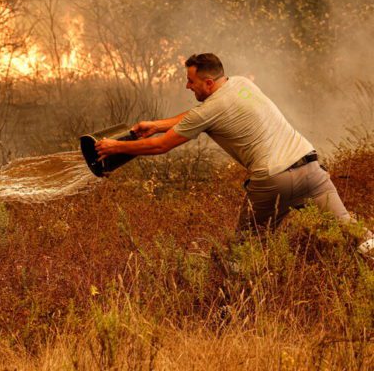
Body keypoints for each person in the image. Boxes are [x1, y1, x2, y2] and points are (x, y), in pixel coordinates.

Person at [95, 53, 373, 257]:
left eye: (190, 82)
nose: (187, 87)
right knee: (354, 234)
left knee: (246, 251)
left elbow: (161, 146)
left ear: (207, 83)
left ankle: (235, 312)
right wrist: (156, 124)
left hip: (272, 180)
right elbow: (201, 116)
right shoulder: (241, 84)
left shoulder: (209, 109)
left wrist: (114, 147)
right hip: (311, 169)